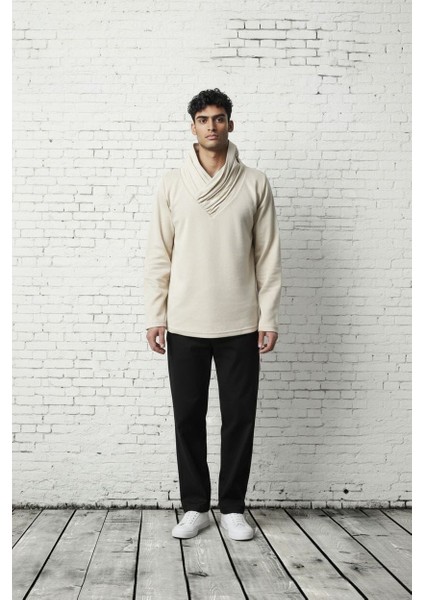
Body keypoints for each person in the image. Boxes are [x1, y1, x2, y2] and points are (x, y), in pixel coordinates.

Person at [144, 88, 282, 541]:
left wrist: (268, 317)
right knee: (188, 417)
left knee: (239, 417)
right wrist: (156, 315)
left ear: (230, 124)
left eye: (219, 118)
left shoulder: (255, 182)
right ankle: (195, 507)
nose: (211, 126)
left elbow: (267, 256)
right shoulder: (172, 183)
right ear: (193, 127)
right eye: (203, 119)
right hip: (185, 321)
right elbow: (159, 255)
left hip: (241, 321)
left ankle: (233, 508)